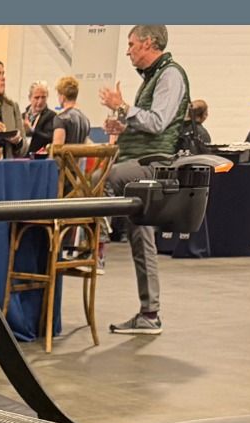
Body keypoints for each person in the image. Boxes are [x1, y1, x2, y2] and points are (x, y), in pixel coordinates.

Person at [97, 24, 190, 335]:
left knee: (102, 179)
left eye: (132, 44)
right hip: (140, 162)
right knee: (141, 237)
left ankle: (91, 240)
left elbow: (159, 122)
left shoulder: (170, 75)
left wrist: (122, 107)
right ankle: (149, 314)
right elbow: (145, 122)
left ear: (149, 43)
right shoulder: (152, 78)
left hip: (154, 165)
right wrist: (123, 126)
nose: (128, 51)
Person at [50, 76, 93, 148]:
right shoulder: (86, 119)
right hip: (80, 158)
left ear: (62, 97)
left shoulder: (61, 118)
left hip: (66, 158)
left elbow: (57, 149)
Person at [22, 81, 57, 156]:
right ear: (30, 98)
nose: (40, 101)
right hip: (21, 157)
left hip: (39, 160)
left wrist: (32, 131)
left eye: (43, 97)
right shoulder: (22, 116)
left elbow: (49, 138)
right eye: (36, 97)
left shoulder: (52, 116)